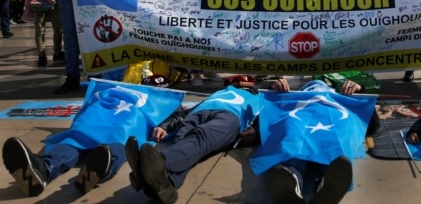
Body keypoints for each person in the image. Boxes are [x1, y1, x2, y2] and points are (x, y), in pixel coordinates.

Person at [2, 79, 183, 197]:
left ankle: (98, 169)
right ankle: (43, 169)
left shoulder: (168, 101)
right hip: (102, 113)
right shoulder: (122, 83)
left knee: (115, 144)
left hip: (128, 123)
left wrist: (163, 126)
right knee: (77, 139)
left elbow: (178, 114)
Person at [124, 76, 289, 204]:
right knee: (184, 144)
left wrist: (258, 132)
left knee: (202, 137)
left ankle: (153, 168)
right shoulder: (217, 94)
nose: (239, 83)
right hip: (196, 115)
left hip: (230, 117)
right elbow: (182, 113)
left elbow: (274, 114)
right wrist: (164, 126)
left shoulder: (259, 96)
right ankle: (165, 186)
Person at [252, 79, 379, 204]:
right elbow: (264, 120)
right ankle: (291, 179)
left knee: (338, 135)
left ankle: (326, 181)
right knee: (291, 129)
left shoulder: (343, 99)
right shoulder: (291, 98)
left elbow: (372, 127)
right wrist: (272, 87)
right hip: (299, 121)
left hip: (333, 125)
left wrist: (360, 92)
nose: (317, 87)